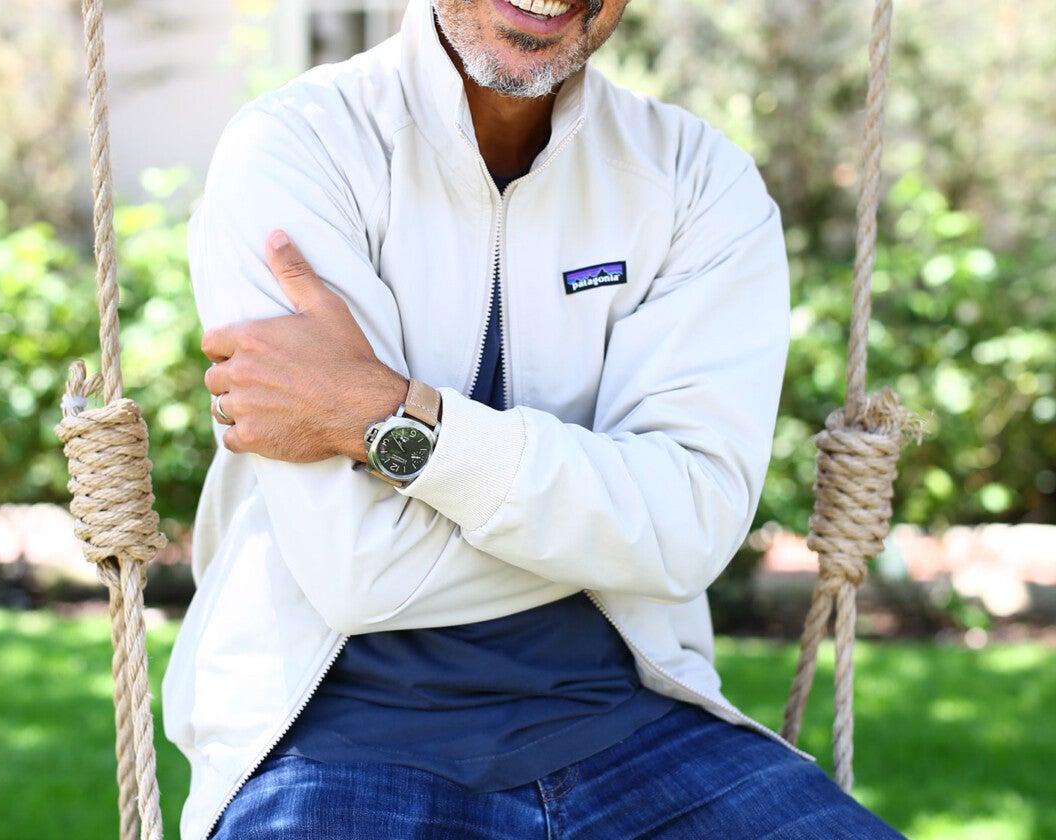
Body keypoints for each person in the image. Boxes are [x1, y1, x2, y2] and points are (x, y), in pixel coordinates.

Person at [163, 0, 905, 837]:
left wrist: (386, 416)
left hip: (636, 724)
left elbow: (691, 525)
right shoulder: (298, 149)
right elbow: (359, 570)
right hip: (336, 746)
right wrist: (618, 521)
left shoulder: (697, 181)